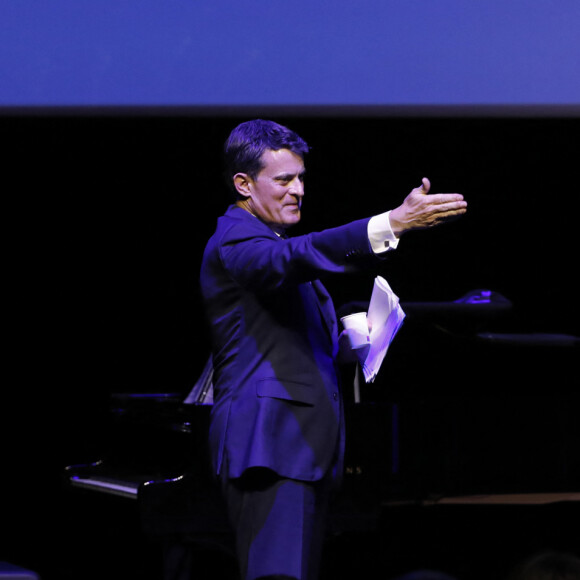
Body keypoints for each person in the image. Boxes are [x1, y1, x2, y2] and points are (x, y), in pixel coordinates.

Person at [199, 119, 467, 580]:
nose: (298, 190)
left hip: (296, 447)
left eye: (301, 178)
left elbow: (276, 328)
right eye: (283, 179)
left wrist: (347, 341)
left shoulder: (268, 239)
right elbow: (287, 261)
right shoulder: (237, 237)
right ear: (244, 184)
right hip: (271, 446)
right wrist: (391, 224)